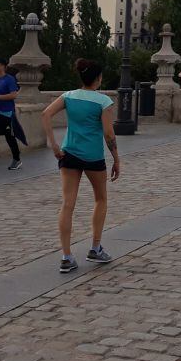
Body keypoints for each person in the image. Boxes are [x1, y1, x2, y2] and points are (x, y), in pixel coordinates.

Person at [41, 58, 120, 274]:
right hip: (93, 157)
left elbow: (45, 113)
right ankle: (95, 247)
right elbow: (108, 133)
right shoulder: (103, 101)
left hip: (69, 154)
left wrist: (53, 144)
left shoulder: (68, 96)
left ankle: (66, 256)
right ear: (98, 78)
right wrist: (116, 158)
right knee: (101, 199)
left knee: (68, 204)